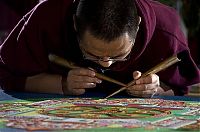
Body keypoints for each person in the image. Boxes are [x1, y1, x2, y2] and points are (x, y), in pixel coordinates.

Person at [0, 0, 199, 98]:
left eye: (120, 55)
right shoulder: (46, 17)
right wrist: (62, 84)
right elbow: (7, 76)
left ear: (138, 26)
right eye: (93, 54)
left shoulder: (166, 29)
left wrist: (155, 88)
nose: (106, 64)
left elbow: (180, 89)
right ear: (75, 25)